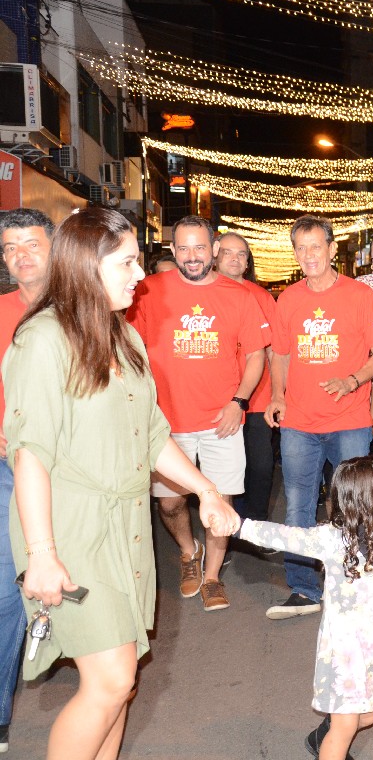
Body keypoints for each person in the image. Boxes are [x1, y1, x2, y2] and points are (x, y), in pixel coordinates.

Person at [6, 207, 238, 760]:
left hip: (126, 526)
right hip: (71, 528)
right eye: (128, 262)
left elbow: (152, 435)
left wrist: (205, 490)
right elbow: (30, 454)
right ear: (88, 266)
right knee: (108, 682)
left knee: (124, 681)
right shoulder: (42, 340)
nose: (141, 275)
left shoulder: (125, 337)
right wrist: (41, 554)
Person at [235, 455, 373, 760]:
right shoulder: (334, 541)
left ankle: (322, 734)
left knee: (370, 716)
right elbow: (286, 537)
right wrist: (238, 525)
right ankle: (330, 738)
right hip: (341, 654)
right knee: (345, 728)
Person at [127, 216, 269, 611]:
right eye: (184, 248)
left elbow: (256, 355)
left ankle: (211, 576)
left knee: (219, 505)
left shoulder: (238, 296)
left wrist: (239, 401)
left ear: (214, 251)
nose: (192, 257)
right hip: (165, 426)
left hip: (221, 421)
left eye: (200, 248)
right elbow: (123, 343)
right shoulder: (147, 291)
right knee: (170, 505)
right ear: (173, 250)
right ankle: (189, 553)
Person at [265, 215, 373, 619]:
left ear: (333, 249)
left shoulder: (358, 295)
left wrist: (353, 380)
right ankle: (304, 589)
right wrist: (277, 395)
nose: (308, 256)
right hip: (299, 424)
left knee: (356, 505)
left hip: (349, 421)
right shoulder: (289, 299)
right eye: (300, 248)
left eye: (315, 246)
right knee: (298, 507)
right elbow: (280, 353)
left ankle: (357, 583)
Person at [0, 208, 53, 753]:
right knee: (5, 588)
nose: (21, 255)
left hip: (76, 474)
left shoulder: (83, 311)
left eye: (31, 244)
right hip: (9, 471)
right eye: (11, 246)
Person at [215, 232, 282, 539]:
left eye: (241, 254)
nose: (235, 259)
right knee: (222, 469)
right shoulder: (204, 293)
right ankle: (226, 529)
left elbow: (274, 351)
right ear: (215, 255)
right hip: (218, 399)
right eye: (228, 252)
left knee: (260, 464)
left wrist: (278, 395)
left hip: (258, 399)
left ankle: (254, 527)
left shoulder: (262, 296)